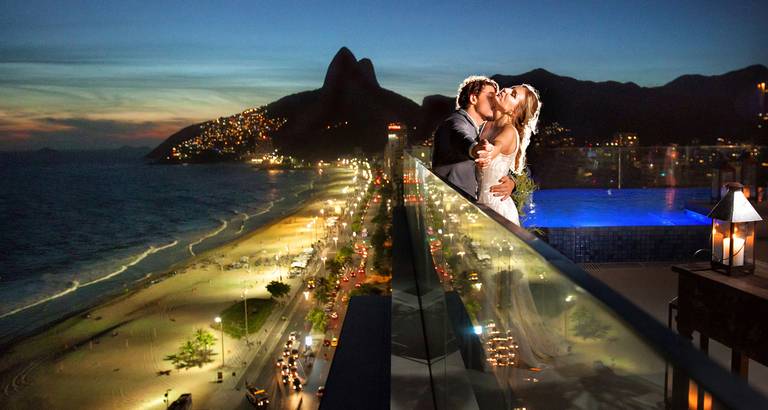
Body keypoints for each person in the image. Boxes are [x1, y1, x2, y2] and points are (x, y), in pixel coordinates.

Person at [432, 76, 516, 200]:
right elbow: (460, 137)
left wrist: (512, 182)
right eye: (491, 96)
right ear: (473, 98)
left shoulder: (482, 129)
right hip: (452, 204)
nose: (495, 101)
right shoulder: (455, 122)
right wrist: (475, 149)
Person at [475, 85, 541, 225]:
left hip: (497, 210)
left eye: (513, 94)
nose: (506, 90)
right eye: (511, 88)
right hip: (478, 205)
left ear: (515, 111)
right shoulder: (485, 124)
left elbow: (497, 146)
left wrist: (489, 151)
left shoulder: (509, 131)